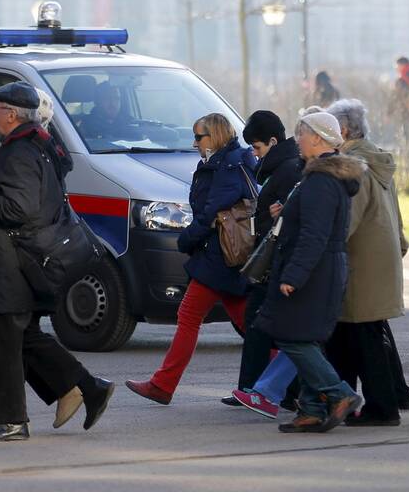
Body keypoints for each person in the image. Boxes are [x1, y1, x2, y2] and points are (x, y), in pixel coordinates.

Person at [0, 82, 115, 442]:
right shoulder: (35, 145)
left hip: (8, 263)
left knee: (0, 342)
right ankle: (88, 388)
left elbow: (19, 207)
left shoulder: (19, 153)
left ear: (12, 114)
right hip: (20, 260)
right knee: (24, 336)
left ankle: (11, 421)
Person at [126, 113, 256, 406]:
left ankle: (162, 385)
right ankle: (280, 383)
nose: (195, 143)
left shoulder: (227, 166)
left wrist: (187, 239)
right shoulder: (227, 162)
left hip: (219, 255)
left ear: (216, 136)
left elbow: (211, 212)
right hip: (226, 255)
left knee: (188, 317)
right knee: (250, 325)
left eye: (199, 137)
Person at [253, 112, 365, 433]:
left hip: (314, 273)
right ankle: (312, 409)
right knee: (304, 338)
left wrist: (293, 276)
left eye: (301, 133)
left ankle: (339, 394)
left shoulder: (321, 180)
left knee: (292, 336)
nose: (297, 139)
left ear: (317, 138)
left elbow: (314, 236)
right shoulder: (322, 176)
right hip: (323, 270)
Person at [323, 98, 408, 426]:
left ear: (342, 130)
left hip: (360, 263)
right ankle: (351, 400)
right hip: (379, 259)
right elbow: (395, 212)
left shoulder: (352, 165)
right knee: (355, 336)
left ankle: (382, 408)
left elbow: (347, 220)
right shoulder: (376, 158)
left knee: (364, 339)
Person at [223, 110, 302, 407]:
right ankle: (258, 389)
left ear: (272, 141)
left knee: (265, 328)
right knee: (261, 327)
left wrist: (271, 221)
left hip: (275, 263)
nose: (254, 155)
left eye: (257, 148)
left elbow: (289, 217)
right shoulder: (282, 167)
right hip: (272, 262)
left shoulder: (287, 170)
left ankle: (261, 389)